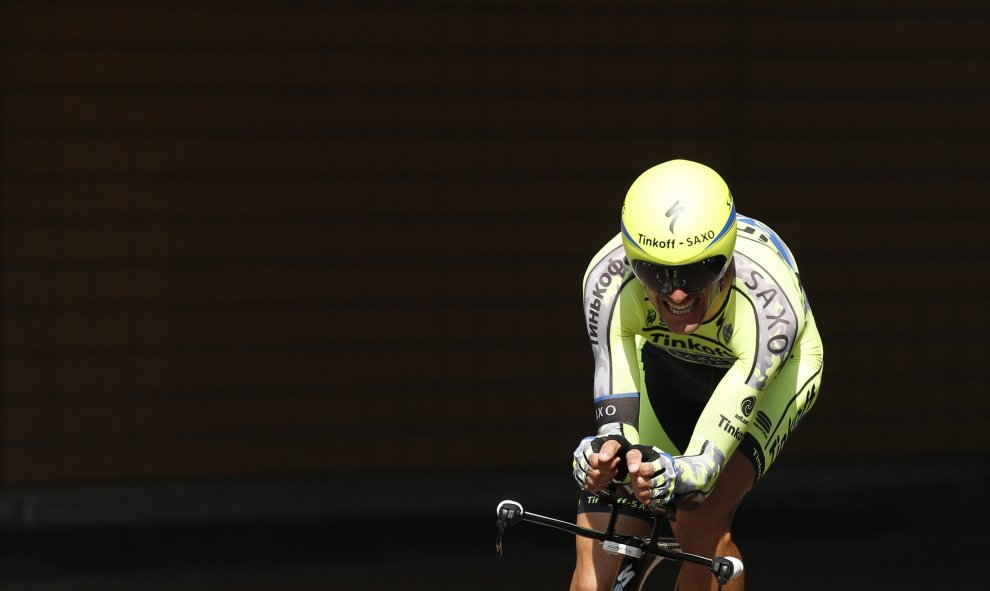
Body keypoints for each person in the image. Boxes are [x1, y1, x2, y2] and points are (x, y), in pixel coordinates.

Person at [570, 159, 823, 591]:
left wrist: (677, 477)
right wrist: (604, 457)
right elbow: (616, 424)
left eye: (698, 271)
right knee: (596, 542)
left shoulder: (771, 309)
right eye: (654, 273)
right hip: (666, 365)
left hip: (770, 375)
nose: (677, 292)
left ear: (727, 257)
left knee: (699, 519)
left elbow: (704, 468)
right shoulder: (605, 281)